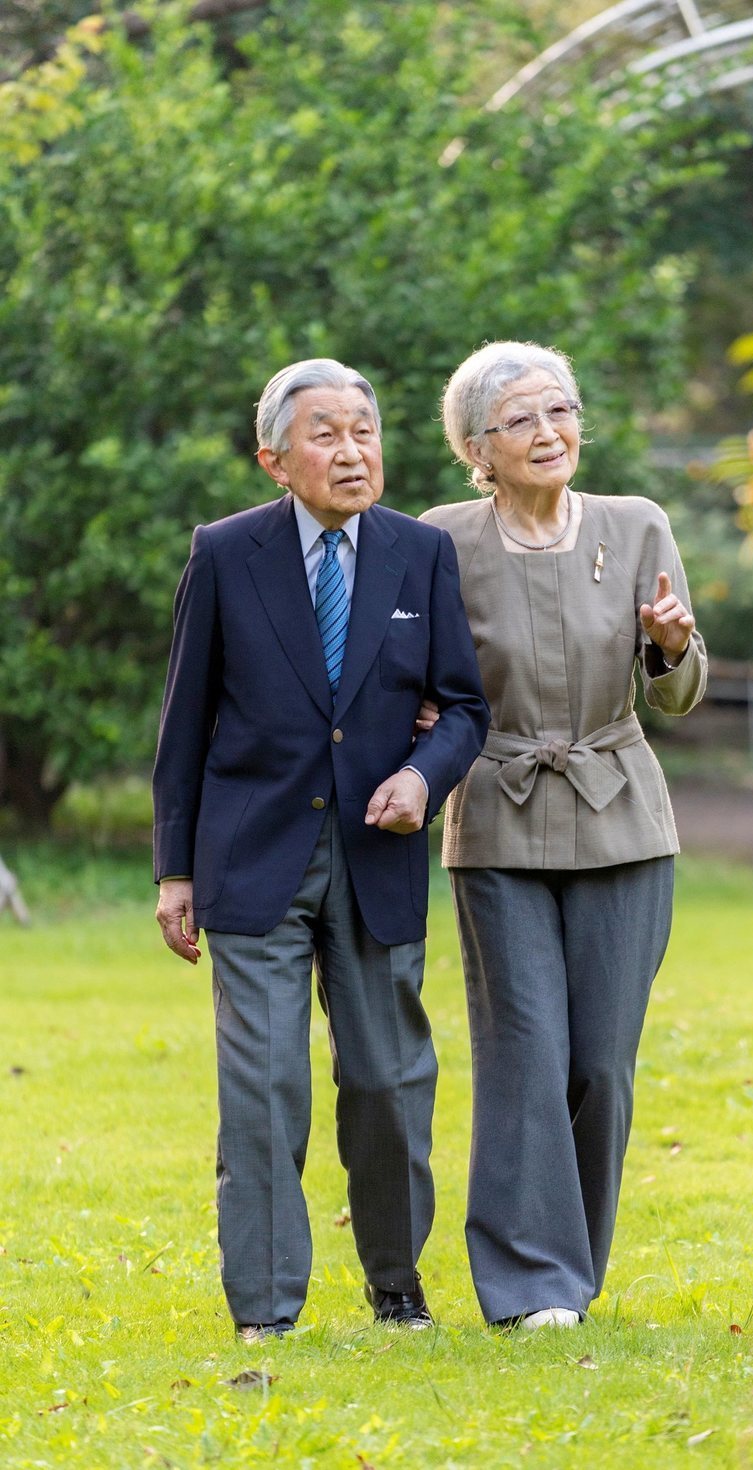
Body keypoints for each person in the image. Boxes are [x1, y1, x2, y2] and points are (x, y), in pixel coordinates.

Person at [152, 358, 489, 1340]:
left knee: (385, 1080)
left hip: (376, 855)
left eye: (365, 431)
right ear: (274, 459)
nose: (352, 451)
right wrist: (175, 869)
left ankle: (394, 1279)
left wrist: (424, 777)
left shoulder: (418, 555)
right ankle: (264, 1306)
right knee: (264, 1086)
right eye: (326, 434)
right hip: (251, 855)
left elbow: (463, 705)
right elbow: (183, 724)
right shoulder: (224, 554)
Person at [419, 341, 707, 1331]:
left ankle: (571, 1265)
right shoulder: (440, 540)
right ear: (476, 447)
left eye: (560, 412)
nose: (549, 433)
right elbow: (414, 675)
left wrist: (670, 647)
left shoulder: (636, 526)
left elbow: (679, 687)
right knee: (523, 1050)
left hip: (621, 815)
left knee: (598, 1065)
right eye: (521, 421)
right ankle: (530, 1285)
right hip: (495, 813)